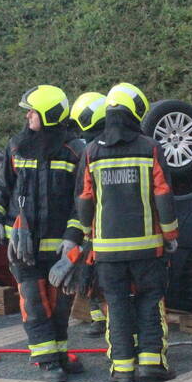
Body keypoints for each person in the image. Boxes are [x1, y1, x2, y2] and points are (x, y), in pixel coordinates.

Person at [71, 83, 179, 382]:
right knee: (150, 300)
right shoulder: (150, 148)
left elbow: (84, 199)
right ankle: (152, 363)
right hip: (147, 248)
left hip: (107, 251)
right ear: (135, 113)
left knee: (116, 305)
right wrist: (170, 235)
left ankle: (122, 369)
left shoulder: (92, 151)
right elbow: (163, 195)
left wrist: (87, 238)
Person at [0, 85, 84, 382]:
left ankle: (59, 355)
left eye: (33, 111)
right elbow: (3, 188)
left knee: (60, 305)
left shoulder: (74, 151)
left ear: (49, 115)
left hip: (59, 247)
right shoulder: (17, 146)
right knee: (34, 303)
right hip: (23, 245)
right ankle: (46, 361)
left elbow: (82, 200)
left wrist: (73, 237)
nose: (27, 116)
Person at [67, 91, 109, 336]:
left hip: (96, 224)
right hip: (102, 224)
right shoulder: (95, 147)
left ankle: (103, 318)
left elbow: (82, 193)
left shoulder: (92, 151)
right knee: (91, 274)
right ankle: (98, 317)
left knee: (95, 274)